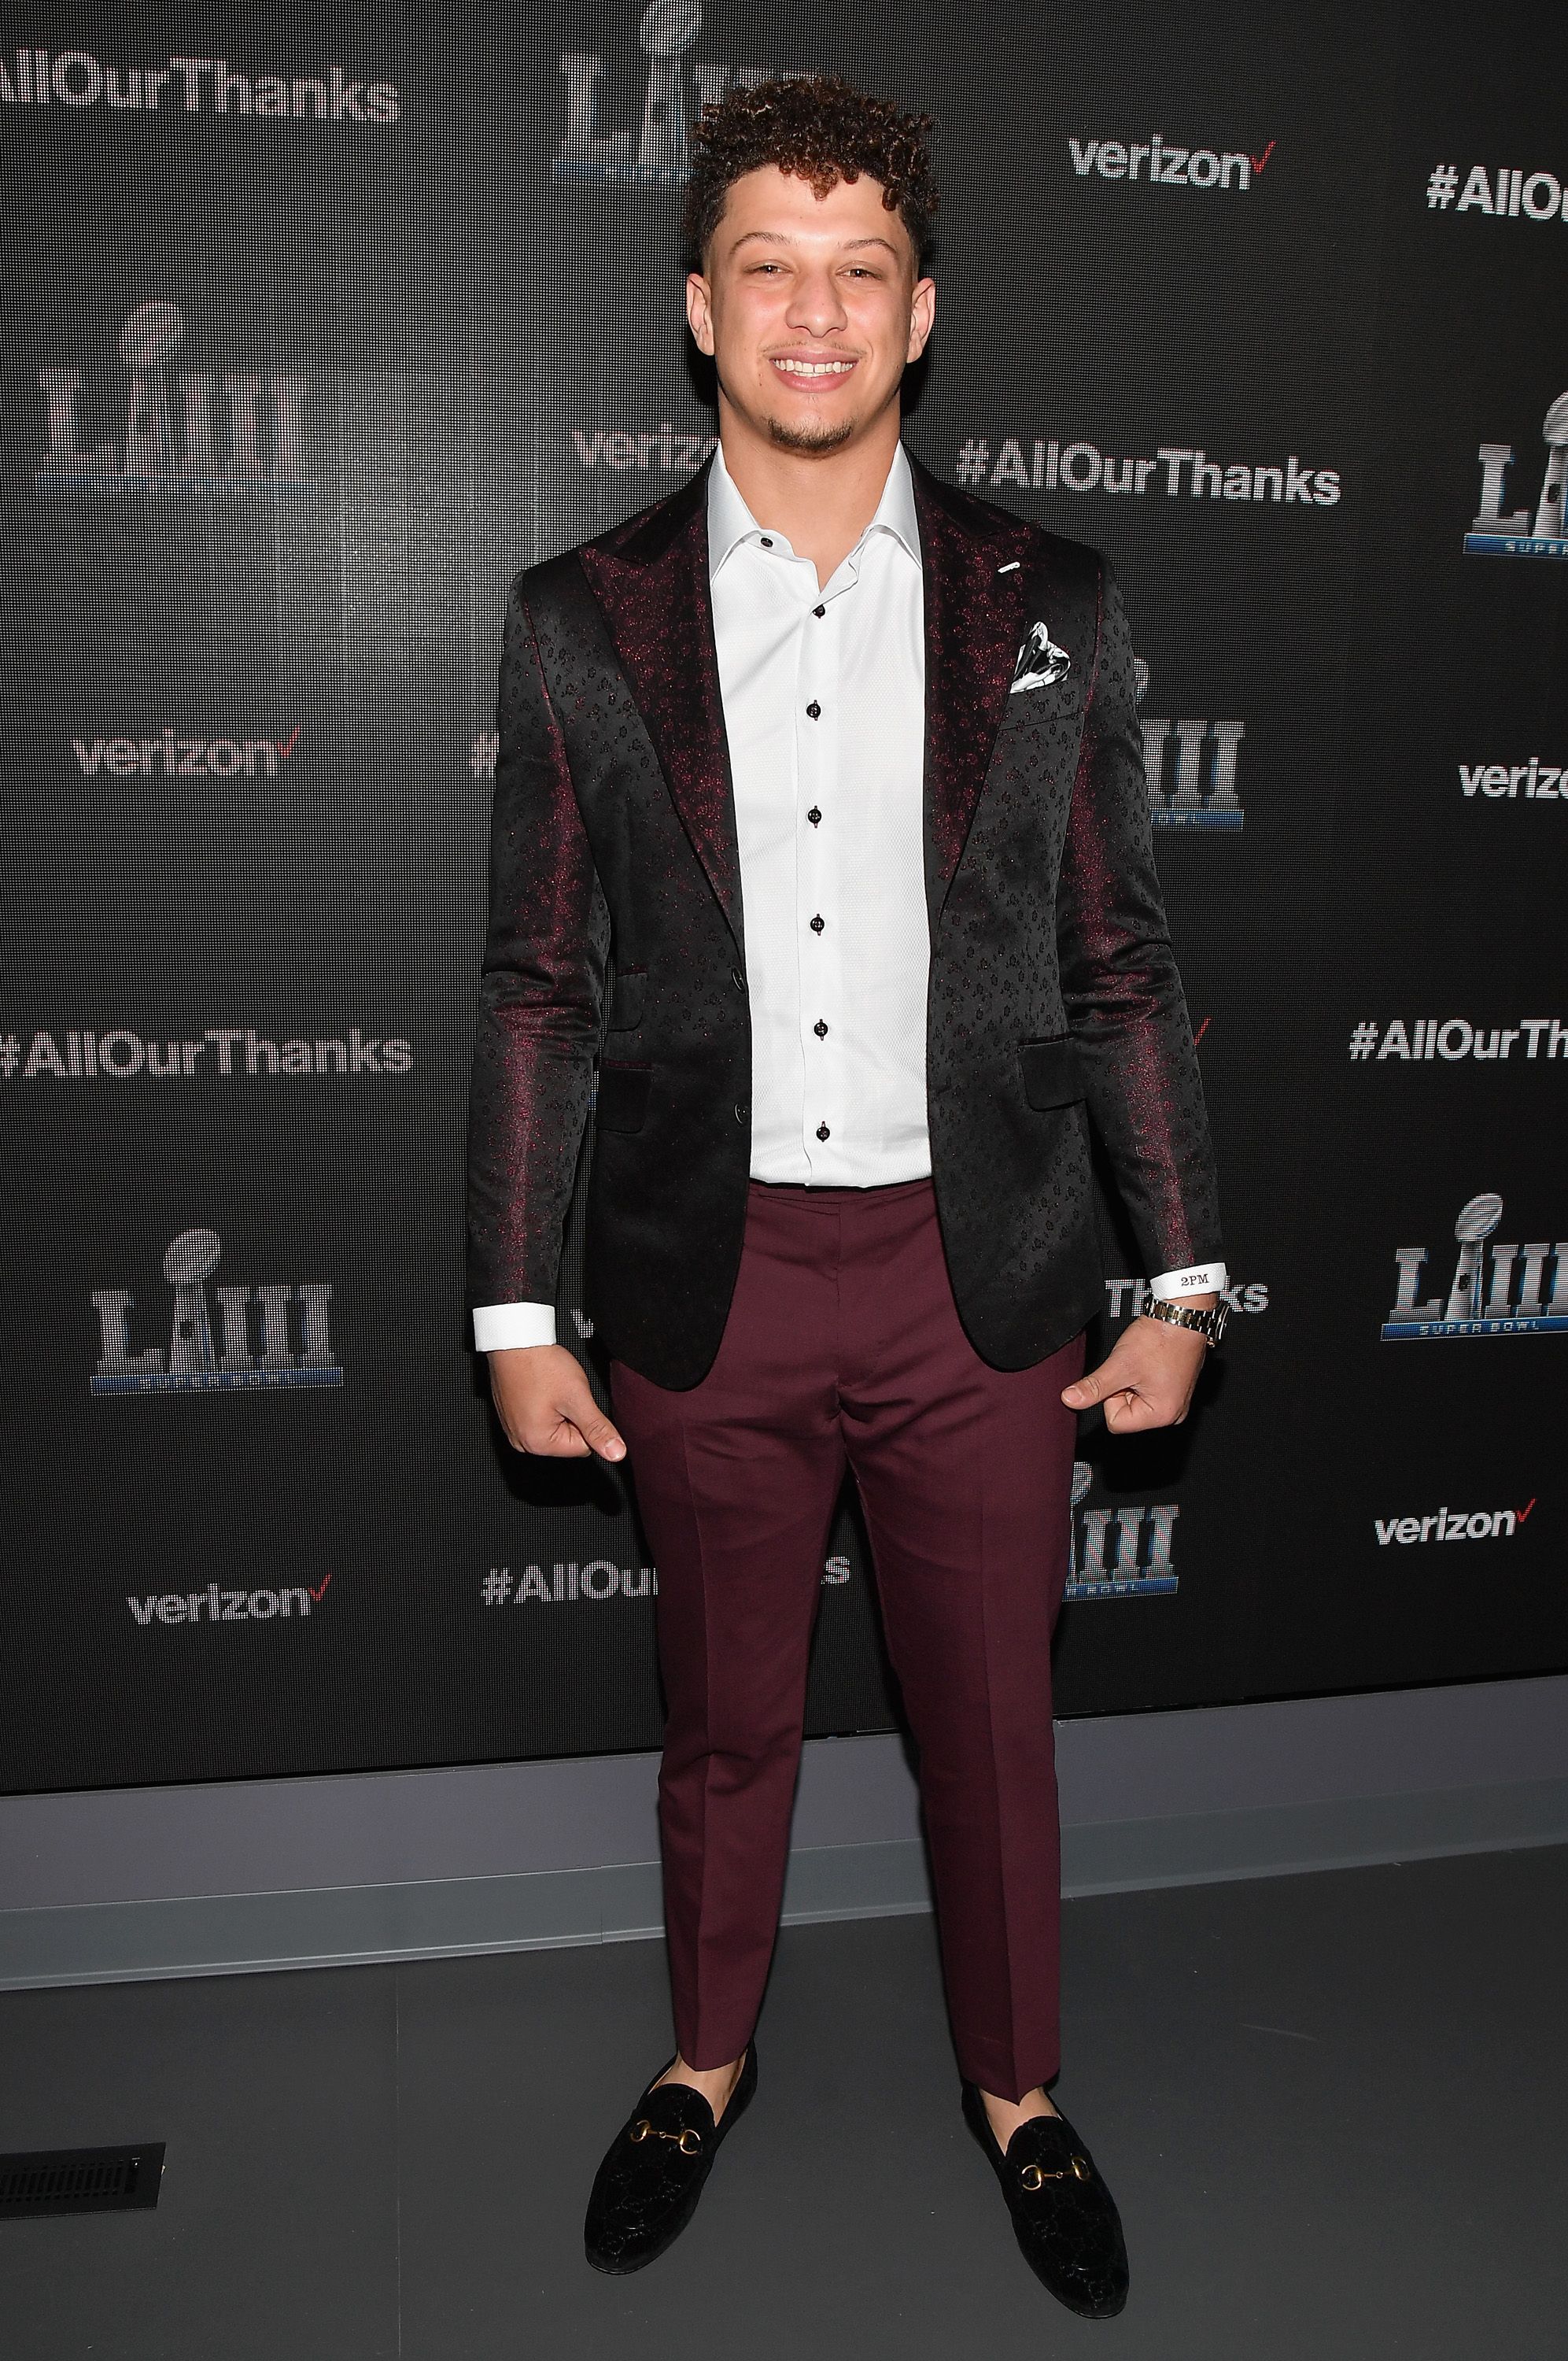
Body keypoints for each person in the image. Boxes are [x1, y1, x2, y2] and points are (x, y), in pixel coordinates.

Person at [467, 75, 1225, 2319]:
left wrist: (1179, 1266)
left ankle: (1020, 2094)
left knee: (990, 1718)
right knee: (725, 1716)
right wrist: (518, 1313)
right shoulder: (575, 618)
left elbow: (1121, 960)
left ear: (921, 312)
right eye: (769, 270)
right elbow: (535, 981)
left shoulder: (1052, 603)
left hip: (972, 1271)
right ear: (701, 310)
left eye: (859, 269)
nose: (815, 312)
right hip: (703, 1279)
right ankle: (706, 2058)